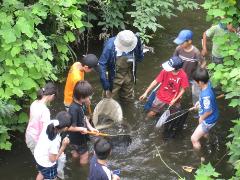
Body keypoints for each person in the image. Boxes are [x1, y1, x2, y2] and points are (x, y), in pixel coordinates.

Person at [99, 30, 144, 101]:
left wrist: (140, 56)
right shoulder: (110, 46)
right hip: (115, 74)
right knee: (108, 99)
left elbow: (139, 53)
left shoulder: (134, 39)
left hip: (129, 72)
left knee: (128, 97)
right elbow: (102, 64)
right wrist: (105, 82)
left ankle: (127, 107)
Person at [67, 80, 98, 165]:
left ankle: (74, 164)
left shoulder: (80, 104)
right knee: (85, 155)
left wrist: (90, 128)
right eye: (88, 97)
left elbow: (83, 117)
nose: (89, 98)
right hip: (77, 139)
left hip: (75, 138)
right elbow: (69, 127)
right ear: (81, 97)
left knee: (76, 152)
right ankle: (83, 172)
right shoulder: (74, 109)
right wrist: (82, 128)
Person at [34, 111, 71, 180]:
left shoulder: (51, 123)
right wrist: (63, 146)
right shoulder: (55, 142)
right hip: (46, 163)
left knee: (41, 172)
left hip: (38, 156)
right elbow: (53, 160)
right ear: (66, 128)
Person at [173, 29, 206, 105]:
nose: (180, 44)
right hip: (180, 75)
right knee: (177, 91)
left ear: (189, 41)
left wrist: (200, 73)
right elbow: (174, 60)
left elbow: (203, 63)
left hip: (192, 76)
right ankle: (176, 104)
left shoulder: (195, 52)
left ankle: (196, 108)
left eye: (182, 42)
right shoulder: (178, 49)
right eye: (179, 43)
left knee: (196, 94)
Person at [191, 68, 219, 150]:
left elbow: (209, 111)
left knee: (194, 139)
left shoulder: (205, 95)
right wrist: (200, 103)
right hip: (213, 116)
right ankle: (210, 141)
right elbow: (207, 102)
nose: (195, 83)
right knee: (204, 134)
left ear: (200, 82)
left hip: (208, 120)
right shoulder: (208, 85)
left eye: (195, 82)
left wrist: (201, 118)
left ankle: (201, 156)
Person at [25, 82, 57, 154]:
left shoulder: (34, 103)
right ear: (52, 96)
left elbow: (32, 120)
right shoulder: (45, 111)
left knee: (36, 156)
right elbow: (45, 131)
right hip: (37, 139)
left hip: (29, 136)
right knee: (42, 160)